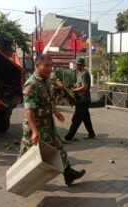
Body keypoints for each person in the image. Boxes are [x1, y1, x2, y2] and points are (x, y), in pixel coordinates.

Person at [18, 54, 85, 186]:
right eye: (47, 66)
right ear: (37, 66)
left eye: (51, 65)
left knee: (59, 148)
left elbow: (49, 99)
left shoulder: (46, 81)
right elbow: (29, 111)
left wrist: (55, 111)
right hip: (35, 128)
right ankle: (20, 180)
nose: (50, 68)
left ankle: (68, 174)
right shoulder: (31, 84)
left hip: (48, 127)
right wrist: (34, 131)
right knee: (25, 156)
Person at [64, 57, 95, 144]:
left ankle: (68, 138)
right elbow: (79, 85)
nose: (75, 66)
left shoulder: (85, 74)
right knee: (86, 118)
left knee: (77, 119)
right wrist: (74, 87)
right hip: (81, 99)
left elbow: (84, 87)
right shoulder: (79, 73)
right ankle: (91, 134)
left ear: (80, 65)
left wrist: (74, 90)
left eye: (76, 64)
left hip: (83, 100)